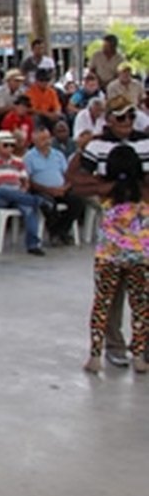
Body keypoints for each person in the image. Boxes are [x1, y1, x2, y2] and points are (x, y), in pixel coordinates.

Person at [68, 94, 149, 367]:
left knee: (139, 296)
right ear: (110, 119)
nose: (126, 122)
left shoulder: (144, 141)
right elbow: (76, 179)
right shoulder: (97, 144)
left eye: (130, 116)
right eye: (120, 117)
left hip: (138, 228)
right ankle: (114, 346)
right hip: (120, 231)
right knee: (111, 296)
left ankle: (139, 348)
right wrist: (107, 189)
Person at [82, 146, 147, 374]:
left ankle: (95, 356)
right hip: (140, 255)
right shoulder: (144, 189)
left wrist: (83, 150)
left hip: (108, 256)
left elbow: (74, 180)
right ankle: (139, 356)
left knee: (102, 304)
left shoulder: (104, 189)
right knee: (140, 306)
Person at [0, 130, 48, 256]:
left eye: (12, 145)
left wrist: (22, 189)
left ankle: (33, 245)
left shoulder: (18, 161)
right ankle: (38, 201)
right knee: (4, 190)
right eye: (5, 145)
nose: (9, 148)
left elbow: (25, 182)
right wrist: (2, 187)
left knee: (28, 210)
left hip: (17, 193)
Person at [25, 126, 85, 245]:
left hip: (61, 189)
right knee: (48, 205)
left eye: (48, 138)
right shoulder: (29, 157)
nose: (46, 142)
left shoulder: (58, 155)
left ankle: (59, 232)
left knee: (78, 202)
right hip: (41, 190)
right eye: (42, 139)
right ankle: (58, 234)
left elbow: (68, 175)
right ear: (34, 141)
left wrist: (64, 188)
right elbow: (29, 181)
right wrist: (49, 190)